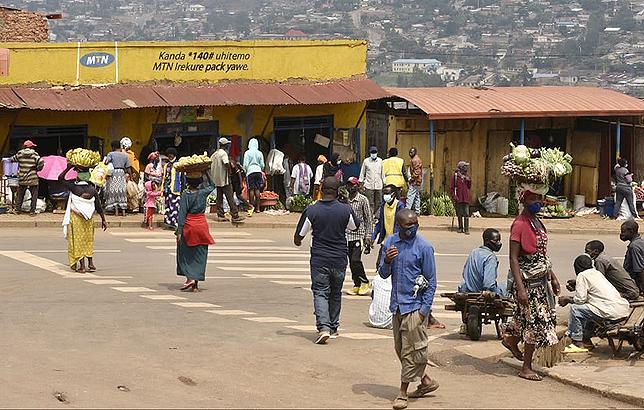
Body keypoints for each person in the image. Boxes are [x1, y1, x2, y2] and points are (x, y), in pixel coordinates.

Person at [378, 209, 439, 410]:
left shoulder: (424, 248)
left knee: (411, 351)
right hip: (397, 305)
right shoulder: (390, 243)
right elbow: (383, 274)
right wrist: (387, 260)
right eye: (408, 226)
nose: (413, 229)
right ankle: (426, 381)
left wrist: (424, 310)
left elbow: (431, 281)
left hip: (415, 306)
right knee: (400, 349)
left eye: (415, 225)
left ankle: (403, 393)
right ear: (399, 226)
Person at [502, 189, 561, 382]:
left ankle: (510, 340)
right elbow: (513, 259)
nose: (537, 202)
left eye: (539, 198)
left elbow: (542, 255)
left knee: (524, 319)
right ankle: (526, 367)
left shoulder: (537, 221)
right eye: (532, 199)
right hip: (528, 283)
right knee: (534, 324)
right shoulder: (519, 224)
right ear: (524, 200)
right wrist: (520, 289)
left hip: (541, 279)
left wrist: (552, 277)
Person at [294, 177, 359, 344]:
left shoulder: (312, 210)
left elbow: (299, 236)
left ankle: (323, 328)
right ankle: (333, 327)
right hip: (339, 259)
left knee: (321, 292)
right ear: (338, 192)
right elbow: (354, 226)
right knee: (335, 293)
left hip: (319, 259)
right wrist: (346, 205)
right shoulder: (345, 210)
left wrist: (299, 240)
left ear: (321, 190)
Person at [559, 255, 631, 352]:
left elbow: (580, 300)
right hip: (621, 309)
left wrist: (567, 299)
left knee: (575, 309)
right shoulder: (596, 273)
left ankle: (577, 342)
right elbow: (594, 292)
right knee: (588, 310)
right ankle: (586, 340)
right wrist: (577, 285)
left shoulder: (582, 275)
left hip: (610, 312)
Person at [59, 163, 107, 273]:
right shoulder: (92, 190)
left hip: (77, 218)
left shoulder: (74, 187)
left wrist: (68, 167)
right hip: (89, 220)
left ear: (78, 176)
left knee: (78, 241)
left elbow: (60, 178)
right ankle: (90, 262)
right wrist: (103, 219)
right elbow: (98, 206)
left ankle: (82, 266)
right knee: (88, 240)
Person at [176, 174, 216, 293]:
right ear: (199, 182)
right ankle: (195, 285)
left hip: (189, 226)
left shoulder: (185, 195)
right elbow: (213, 185)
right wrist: (206, 172)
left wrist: (179, 232)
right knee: (200, 254)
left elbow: (182, 214)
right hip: (202, 226)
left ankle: (190, 279)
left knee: (186, 254)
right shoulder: (203, 193)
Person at [345, 177, 374, 296]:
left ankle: (364, 281)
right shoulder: (345, 200)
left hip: (359, 235)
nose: (350, 187)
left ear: (357, 186)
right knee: (351, 262)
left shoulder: (363, 200)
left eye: (352, 185)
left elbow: (368, 219)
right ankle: (356, 284)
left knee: (355, 260)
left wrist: (368, 236)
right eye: (348, 185)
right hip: (347, 235)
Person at [458, 228, 506, 295]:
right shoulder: (490, 257)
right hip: (480, 291)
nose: (499, 243)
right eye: (496, 241)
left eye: (499, 241)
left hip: (469, 289)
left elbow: (464, 273)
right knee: (506, 288)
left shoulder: (474, 252)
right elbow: (488, 284)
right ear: (487, 241)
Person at [210, 138, 242, 223]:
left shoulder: (214, 154)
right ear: (225, 145)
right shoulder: (223, 153)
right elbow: (226, 163)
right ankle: (235, 215)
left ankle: (220, 215)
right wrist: (230, 173)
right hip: (224, 179)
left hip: (217, 180)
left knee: (219, 198)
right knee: (230, 197)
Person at [10, 140, 43, 216]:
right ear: (31, 147)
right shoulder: (34, 154)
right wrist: (38, 168)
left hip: (22, 177)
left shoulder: (20, 154)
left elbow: (12, 159)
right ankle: (32, 211)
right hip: (33, 177)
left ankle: (18, 210)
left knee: (20, 194)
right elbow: (41, 162)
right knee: (34, 195)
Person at [104, 140, 131, 217]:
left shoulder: (111, 154)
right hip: (121, 173)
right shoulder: (125, 155)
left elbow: (106, 162)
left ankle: (116, 212)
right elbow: (128, 167)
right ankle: (123, 212)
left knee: (114, 191)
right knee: (121, 191)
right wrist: (131, 177)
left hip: (113, 174)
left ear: (113, 147)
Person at [360, 146, 385, 218]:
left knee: (379, 202)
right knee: (370, 202)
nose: (374, 154)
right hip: (369, 185)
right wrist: (361, 183)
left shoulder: (380, 161)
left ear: (377, 153)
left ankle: (377, 216)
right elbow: (362, 172)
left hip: (378, 185)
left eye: (375, 152)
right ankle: (370, 217)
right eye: (372, 152)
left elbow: (382, 173)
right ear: (370, 153)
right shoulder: (366, 161)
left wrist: (384, 182)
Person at [161, 147, 182, 229]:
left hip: (176, 189)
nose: (170, 156)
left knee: (176, 207)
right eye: (168, 155)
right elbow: (164, 177)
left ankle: (176, 224)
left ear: (174, 155)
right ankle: (169, 224)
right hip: (168, 189)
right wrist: (162, 188)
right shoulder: (166, 165)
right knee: (168, 207)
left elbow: (181, 177)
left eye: (171, 155)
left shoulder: (178, 164)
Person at [620, 220, 644, 293]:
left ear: (631, 231)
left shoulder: (634, 247)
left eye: (623, 232)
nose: (621, 234)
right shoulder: (640, 242)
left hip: (636, 281)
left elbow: (639, 270)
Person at [243, 138, 264, 214]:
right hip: (258, 171)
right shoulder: (260, 153)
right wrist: (260, 169)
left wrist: (245, 172)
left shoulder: (247, 153)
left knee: (251, 190)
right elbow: (262, 165)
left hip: (250, 172)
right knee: (257, 189)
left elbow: (245, 164)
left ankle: (251, 207)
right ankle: (258, 208)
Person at [450, 161, 472, 235]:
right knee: (459, 213)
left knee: (466, 213)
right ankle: (460, 228)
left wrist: (468, 180)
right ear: (461, 167)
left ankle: (466, 229)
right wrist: (454, 196)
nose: (466, 168)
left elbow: (469, 186)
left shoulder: (467, 175)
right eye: (465, 166)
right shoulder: (456, 176)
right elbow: (452, 188)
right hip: (458, 198)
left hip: (465, 197)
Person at [407, 147, 423, 215]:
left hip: (415, 181)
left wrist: (411, 179)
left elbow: (417, 171)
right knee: (416, 196)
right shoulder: (415, 159)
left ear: (415, 152)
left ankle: (407, 210)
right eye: (409, 152)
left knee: (410, 195)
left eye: (411, 152)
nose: (410, 154)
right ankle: (417, 211)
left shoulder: (415, 160)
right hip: (417, 181)